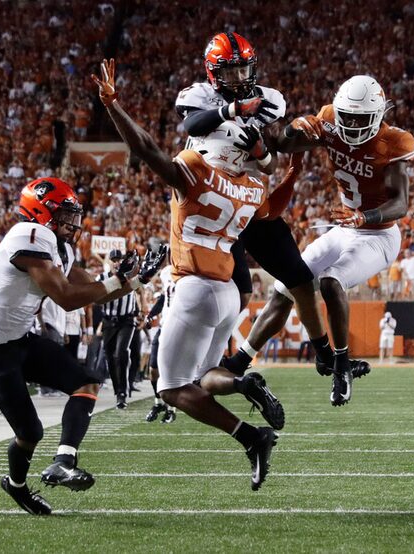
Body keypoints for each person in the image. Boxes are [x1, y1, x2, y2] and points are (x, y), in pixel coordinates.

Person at [95, 58, 283, 490]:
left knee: (170, 389)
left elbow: (144, 148)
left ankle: (251, 437)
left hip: (195, 285)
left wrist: (113, 106)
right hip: (228, 293)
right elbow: (263, 174)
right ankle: (242, 384)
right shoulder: (254, 187)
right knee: (205, 377)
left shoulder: (196, 171)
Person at [0, 176, 166, 515]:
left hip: (19, 339)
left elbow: (93, 288)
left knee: (87, 382)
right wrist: (119, 280)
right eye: (64, 214)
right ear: (40, 211)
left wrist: (138, 280)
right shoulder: (28, 235)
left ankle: (64, 461)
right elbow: (68, 299)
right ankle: (16, 487)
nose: (72, 223)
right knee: (30, 433)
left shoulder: (59, 246)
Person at [229, 74, 414, 406]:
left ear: (378, 116)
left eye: (361, 118)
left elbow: (400, 204)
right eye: (348, 116)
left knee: (331, 281)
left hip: (379, 235)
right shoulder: (329, 120)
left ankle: (341, 367)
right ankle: (240, 360)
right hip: (345, 228)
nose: (353, 124)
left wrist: (365, 217)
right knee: (287, 287)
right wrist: (293, 129)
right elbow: (280, 147)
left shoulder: (394, 142)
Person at [177, 32, 350, 388]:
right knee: (235, 294)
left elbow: (269, 161)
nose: (239, 78)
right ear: (212, 72)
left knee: (300, 279)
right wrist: (233, 111)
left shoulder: (269, 101)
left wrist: (265, 154)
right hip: (214, 202)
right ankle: (201, 367)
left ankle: (322, 353)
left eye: (244, 69)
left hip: (249, 204)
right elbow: (191, 125)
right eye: (231, 71)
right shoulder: (199, 97)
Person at [98, 249, 140, 410]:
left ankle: (122, 392)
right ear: (108, 262)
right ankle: (119, 392)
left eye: (119, 260)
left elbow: (140, 288)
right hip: (108, 321)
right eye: (113, 260)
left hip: (126, 320)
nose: (116, 262)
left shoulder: (130, 277)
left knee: (121, 352)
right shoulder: (100, 278)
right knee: (110, 357)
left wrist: (141, 312)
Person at [144, 262, 177, 424]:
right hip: (163, 327)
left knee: (169, 371)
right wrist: (151, 314)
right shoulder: (167, 272)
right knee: (153, 370)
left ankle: (171, 409)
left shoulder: (190, 274)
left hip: (177, 329)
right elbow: (164, 298)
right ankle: (158, 404)